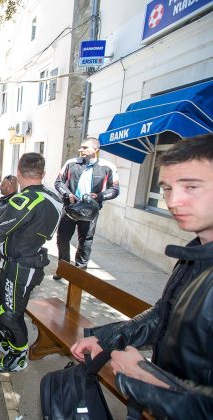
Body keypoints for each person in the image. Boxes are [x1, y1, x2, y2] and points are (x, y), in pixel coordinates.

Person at [70, 136, 213, 418]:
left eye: (191, 187)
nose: (173, 201)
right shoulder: (195, 251)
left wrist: (150, 381)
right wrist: (107, 340)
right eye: (167, 188)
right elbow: (163, 315)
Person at [0, 153, 62, 373]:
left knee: (11, 313)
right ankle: (6, 341)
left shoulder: (23, 199)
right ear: (43, 173)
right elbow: (28, 229)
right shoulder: (54, 198)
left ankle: (18, 356)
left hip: (22, 266)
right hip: (21, 261)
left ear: (18, 172)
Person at [53, 137, 119, 279]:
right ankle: (63, 268)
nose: (81, 150)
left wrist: (99, 196)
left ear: (96, 149)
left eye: (85, 147)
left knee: (85, 242)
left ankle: (80, 273)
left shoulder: (108, 167)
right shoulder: (71, 163)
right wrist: (68, 194)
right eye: (81, 147)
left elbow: (114, 190)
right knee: (62, 239)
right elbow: (58, 182)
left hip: (90, 211)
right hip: (70, 208)